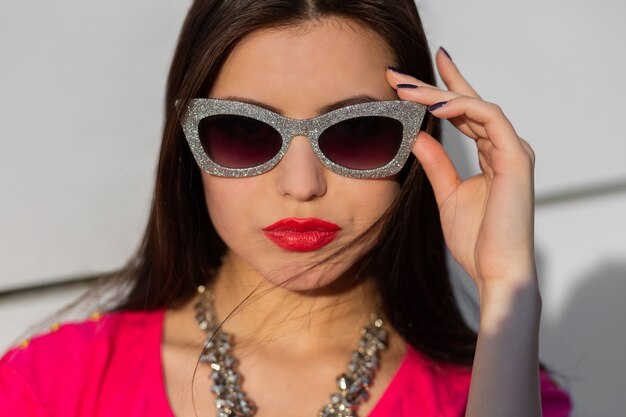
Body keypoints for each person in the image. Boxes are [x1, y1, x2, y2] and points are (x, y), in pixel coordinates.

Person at [0, 1, 572, 416]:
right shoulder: (51, 387)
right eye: (244, 132)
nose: (302, 186)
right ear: (188, 144)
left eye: (358, 132)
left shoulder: (499, 391)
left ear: (417, 142)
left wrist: (506, 289)